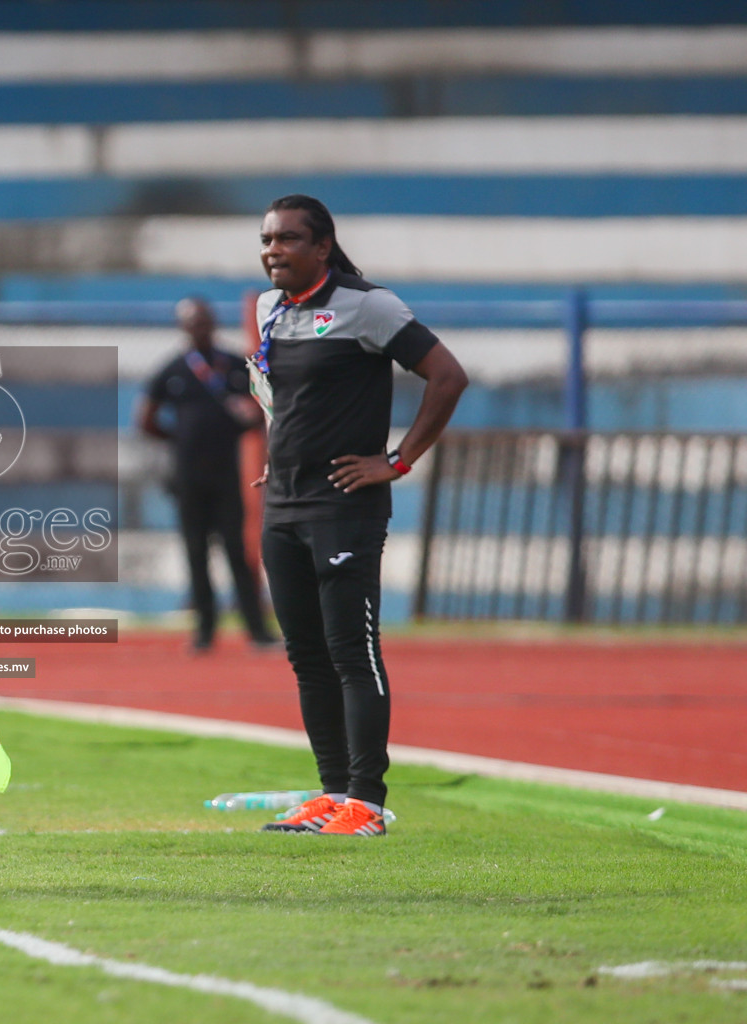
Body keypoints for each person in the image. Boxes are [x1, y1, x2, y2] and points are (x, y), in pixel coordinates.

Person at [250, 194, 467, 837]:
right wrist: (277, 456)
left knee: (351, 651)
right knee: (307, 657)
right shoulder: (268, 310)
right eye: (266, 240)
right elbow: (284, 398)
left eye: (288, 239)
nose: (273, 251)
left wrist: (396, 462)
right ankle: (332, 791)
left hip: (344, 508)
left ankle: (367, 803)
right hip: (283, 503)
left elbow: (448, 376)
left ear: (322, 246)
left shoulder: (369, 306)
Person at [137, 297, 278, 652]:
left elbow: (263, 407)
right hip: (188, 478)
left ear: (213, 324)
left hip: (227, 475)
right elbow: (146, 418)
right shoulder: (173, 370)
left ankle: (256, 630)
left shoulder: (231, 364)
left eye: (204, 322)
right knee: (196, 553)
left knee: (237, 552)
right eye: (192, 323)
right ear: (183, 328)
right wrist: (178, 438)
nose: (199, 329)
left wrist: (249, 418)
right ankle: (205, 631)